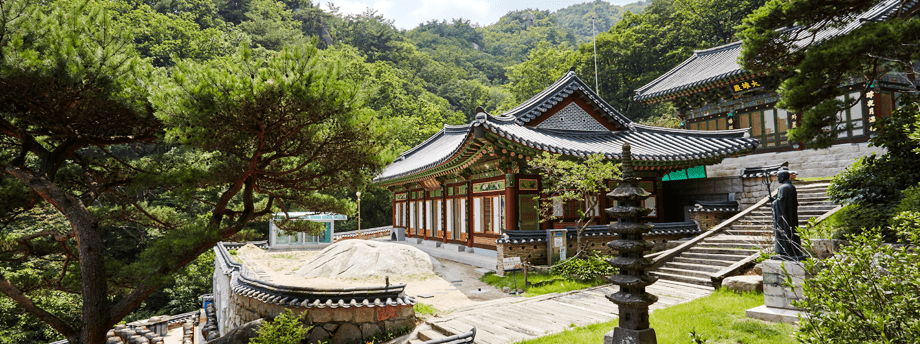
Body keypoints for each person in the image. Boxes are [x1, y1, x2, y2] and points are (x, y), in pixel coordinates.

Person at [771, 167, 805, 260]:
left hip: (784, 217)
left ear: (783, 176)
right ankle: (794, 251)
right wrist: (775, 200)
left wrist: (774, 203)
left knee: (784, 233)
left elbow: (781, 202)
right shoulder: (791, 186)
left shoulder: (783, 187)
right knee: (792, 233)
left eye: (778, 176)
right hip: (791, 215)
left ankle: (786, 252)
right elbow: (784, 201)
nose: (777, 179)